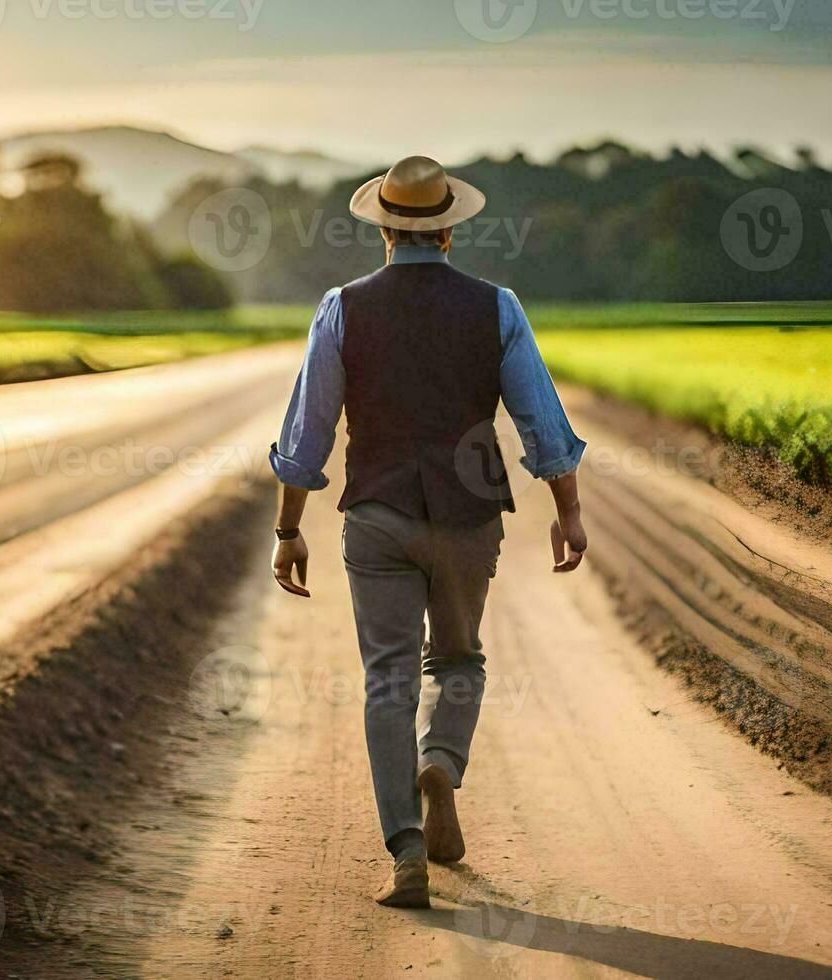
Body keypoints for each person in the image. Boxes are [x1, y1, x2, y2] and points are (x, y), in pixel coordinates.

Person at [266, 155, 589, 908]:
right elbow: (542, 421)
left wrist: (289, 528)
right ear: (447, 227)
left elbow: (307, 433)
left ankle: (405, 851)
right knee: (459, 660)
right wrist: (567, 509)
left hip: (376, 514)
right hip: (468, 515)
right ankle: (439, 757)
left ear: (384, 226)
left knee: (388, 679)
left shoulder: (341, 307)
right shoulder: (497, 307)